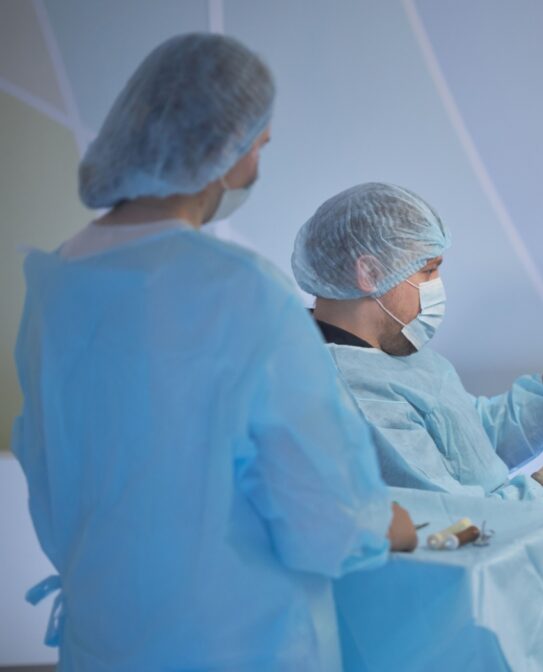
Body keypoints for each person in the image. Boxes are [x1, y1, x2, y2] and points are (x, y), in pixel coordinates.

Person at [12, 34, 415, 671]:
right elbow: (327, 520)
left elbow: (50, 482)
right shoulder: (242, 292)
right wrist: (384, 525)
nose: (256, 165)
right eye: (259, 144)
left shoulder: (56, 284)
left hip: (104, 642)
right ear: (221, 148)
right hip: (236, 647)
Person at [291, 182, 543, 506]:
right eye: (429, 270)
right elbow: (463, 526)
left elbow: (476, 444)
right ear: (370, 273)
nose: (437, 285)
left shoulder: (389, 353)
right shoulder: (353, 396)